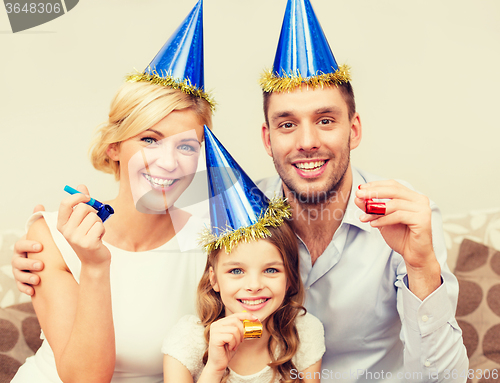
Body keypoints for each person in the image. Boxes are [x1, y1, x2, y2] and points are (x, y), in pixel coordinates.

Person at [256, 0, 468, 381]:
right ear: (267, 139)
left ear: (353, 130)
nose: (307, 141)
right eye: (287, 125)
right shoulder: (240, 215)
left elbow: (445, 379)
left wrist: (422, 269)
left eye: (325, 120)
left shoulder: (405, 217)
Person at [12, 2, 215, 382]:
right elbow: (85, 379)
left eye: (186, 146)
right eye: (150, 140)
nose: (169, 162)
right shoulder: (50, 237)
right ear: (114, 148)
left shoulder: (214, 240)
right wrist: (94, 264)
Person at [162, 126, 324, 383]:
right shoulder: (189, 340)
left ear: (290, 278)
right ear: (214, 279)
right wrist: (214, 368)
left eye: (271, 270)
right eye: (236, 271)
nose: (254, 286)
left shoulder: (304, 333)